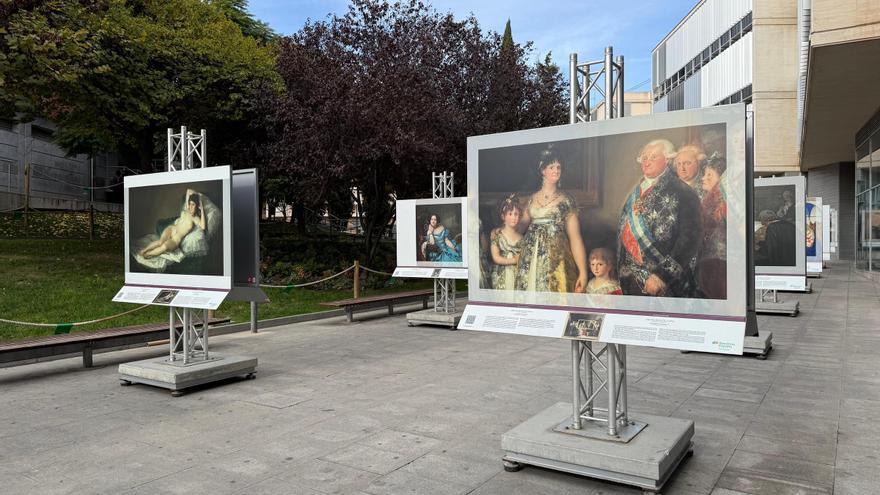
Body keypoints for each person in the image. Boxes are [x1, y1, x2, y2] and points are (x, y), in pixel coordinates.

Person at [617, 139, 702, 297]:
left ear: (668, 160)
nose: (647, 161)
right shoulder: (635, 192)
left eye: (653, 157)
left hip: (663, 283)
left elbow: (690, 239)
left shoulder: (683, 192)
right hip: (630, 277)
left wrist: (662, 276)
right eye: (645, 158)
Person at [515, 145, 588, 293]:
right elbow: (519, 229)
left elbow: (575, 238)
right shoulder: (531, 200)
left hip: (556, 261)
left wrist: (583, 271)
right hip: (530, 258)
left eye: (559, 167)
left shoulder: (566, 200)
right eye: (551, 167)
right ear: (542, 170)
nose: (556, 170)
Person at [140, 189, 206, 259]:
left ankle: (147, 254)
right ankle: (144, 251)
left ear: (197, 206)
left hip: (176, 239)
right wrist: (198, 196)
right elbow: (188, 191)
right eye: (190, 204)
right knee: (160, 242)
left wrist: (202, 209)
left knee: (164, 246)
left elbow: (203, 227)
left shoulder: (195, 218)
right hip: (172, 229)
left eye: (193, 204)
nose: (190, 206)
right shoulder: (187, 209)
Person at [698, 157, 727, 299]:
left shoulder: (723, 203)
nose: (703, 178)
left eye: (709, 174)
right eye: (704, 174)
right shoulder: (709, 200)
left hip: (719, 262)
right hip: (709, 261)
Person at [490, 196, 524, 290]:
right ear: (503, 216)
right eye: (510, 214)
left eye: (516, 214)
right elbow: (495, 257)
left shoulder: (521, 238)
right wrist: (513, 260)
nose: (514, 217)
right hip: (501, 276)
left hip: (516, 275)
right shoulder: (497, 234)